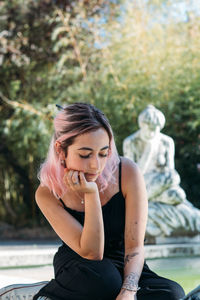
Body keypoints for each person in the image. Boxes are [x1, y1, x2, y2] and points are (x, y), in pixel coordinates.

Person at [0, 103, 185, 300]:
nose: (96, 165)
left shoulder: (127, 172)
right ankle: (41, 294)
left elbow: (135, 247)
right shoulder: (47, 193)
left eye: (103, 153)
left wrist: (129, 291)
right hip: (82, 267)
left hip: (125, 264)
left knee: (171, 294)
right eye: (85, 154)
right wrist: (91, 194)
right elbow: (92, 253)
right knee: (105, 281)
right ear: (61, 150)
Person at [123, 105, 200, 239]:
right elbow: (132, 175)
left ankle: (150, 198)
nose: (153, 132)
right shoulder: (131, 142)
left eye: (156, 129)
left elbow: (170, 172)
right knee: (136, 189)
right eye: (150, 128)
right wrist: (149, 149)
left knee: (178, 194)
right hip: (141, 183)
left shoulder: (167, 142)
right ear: (142, 125)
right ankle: (141, 200)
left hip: (161, 183)